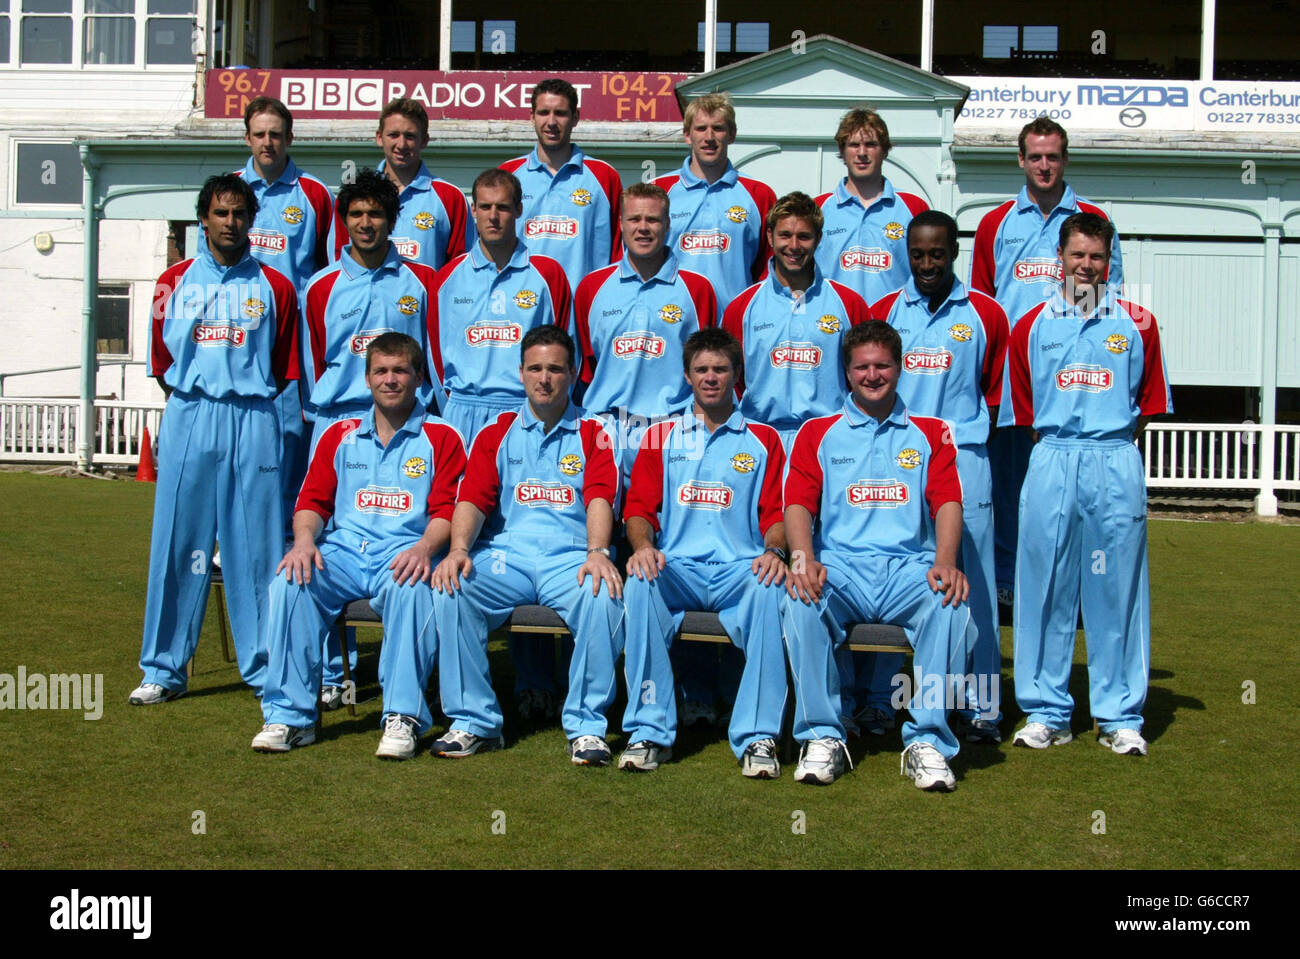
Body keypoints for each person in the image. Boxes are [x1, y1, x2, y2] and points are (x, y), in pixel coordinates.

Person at [251, 333, 467, 758]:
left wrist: (425, 549)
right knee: (291, 581)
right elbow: (312, 501)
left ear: (419, 377)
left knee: (413, 586)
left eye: (400, 370)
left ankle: (401, 716)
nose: (390, 380)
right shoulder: (338, 434)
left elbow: (448, 510)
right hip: (344, 552)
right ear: (367, 378)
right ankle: (290, 717)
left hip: (404, 551)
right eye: (381, 371)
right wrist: (304, 542)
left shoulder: (443, 437)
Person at [780, 321, 975, 790]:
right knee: (799, 599)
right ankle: (825, 736)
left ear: (900, 367)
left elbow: (948, 501)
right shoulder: (817, 432)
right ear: (846, 373)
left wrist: (945, 561)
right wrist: (803, 557)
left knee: (951, 604)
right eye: (862, 367)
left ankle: (927, 740)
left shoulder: (932, 433)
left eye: (882, 365)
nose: (872, 375)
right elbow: (798, 502)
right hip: (841, 567)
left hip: (907, 568)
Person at [130, 174, 299, 704]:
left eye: (239, 214)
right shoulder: (171, 281)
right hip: (192, 414)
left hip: (253, 415)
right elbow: (162, 361)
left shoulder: (276, 286)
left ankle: (265, 664)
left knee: (258, 547)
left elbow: (282, 363)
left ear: (252, 220)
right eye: (221, 213)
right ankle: (163, 667)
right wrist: (201, 393)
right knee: (180, 541)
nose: (230, 223)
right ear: (203, 218)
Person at [1006, 212, 1170, 756]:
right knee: (1044, 584)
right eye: (1077, 255)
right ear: (1061, 258)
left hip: (1113, 456)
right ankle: (1045, 710)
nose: (1086, 265)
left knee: (1116, 587)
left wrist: (1105, 447)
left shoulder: (1139, 324)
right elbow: (1027, 410)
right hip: (1052, 457)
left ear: (1109, 260)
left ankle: (1120, 714)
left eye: (1096, 256)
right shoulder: (1031, 325)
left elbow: (1144, 406)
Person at [430, 326, 624, 766]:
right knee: (452, 586)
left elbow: (600, 497)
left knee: (604, 595)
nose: (544, 378)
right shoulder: (495, 431)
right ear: (520, 373)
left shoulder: (596, 432)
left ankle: (587, 726)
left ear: (572, 374)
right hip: (508, 555)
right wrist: (459, 549)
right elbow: (473, 497)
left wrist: (597, 552)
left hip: (570, 556)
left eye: (555, 369)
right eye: (535, 368)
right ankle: (473, 722)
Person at [300, 168, 441, 708]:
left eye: (376, 214)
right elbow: (314, 362)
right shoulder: (320, 287)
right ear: (344, 220)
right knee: (329, 547)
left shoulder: (421, 281)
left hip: (407, 425)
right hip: (338, 426)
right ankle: (336, 674)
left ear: (392, 220)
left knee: (403, 540)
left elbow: (433, 355)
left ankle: (408, 674)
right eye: (356, 214)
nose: (365, 223)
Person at [621, 328, 788, 776]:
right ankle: (649, 731)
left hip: (740, 568)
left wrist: (774, 551)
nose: (710, 378)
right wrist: (642, 547)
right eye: (701, 370)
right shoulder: (661, 435)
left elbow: (777, 514)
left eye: (720, 369)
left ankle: (759, 738)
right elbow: (639, 509)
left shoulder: (765, 439)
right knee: (639, 580)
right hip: (677, 567)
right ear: (686, 376)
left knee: (773, 588)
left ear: (738, 376)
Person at [970, 118, 1124, 607]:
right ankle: (1007, 582)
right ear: (1020, 160)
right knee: (1010, 486)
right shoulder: (995, 223)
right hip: (1012, 382)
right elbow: (984, 306)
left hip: (1073, 382)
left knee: (1075, 493)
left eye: (1052, 156)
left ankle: (1074, 582)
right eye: (1034, 156)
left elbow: (1112, 303)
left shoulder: (1093, 221)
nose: (1043, 165)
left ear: (1065, 159)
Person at [869, 211, 1009, 743]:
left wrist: (963, 439)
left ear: (954, 251)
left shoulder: (986, 314)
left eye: (938, 253)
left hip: (964, 457)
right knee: (897, 574)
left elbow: (993, 391)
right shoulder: (885, 311)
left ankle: (979, 707)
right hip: (898, 459)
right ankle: (890, 701)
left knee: (969, 584)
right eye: (918, 253)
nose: (927, 264)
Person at [237, 96, 340, 530]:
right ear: (247, 138)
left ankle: (292, 535)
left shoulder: (314, 194)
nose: (267, 143)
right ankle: (239, 532)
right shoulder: (230, 192)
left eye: (275, 134)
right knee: (243, 440)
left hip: (294, 340)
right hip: (242, 338)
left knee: (294, 438)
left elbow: (327, 269)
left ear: (289, 138)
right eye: (259, 134)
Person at [573, 182, 717, 484]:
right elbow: (586, 369)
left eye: (652, 219)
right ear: (621, 224)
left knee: (662, 527)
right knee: (605, 526)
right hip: (606, 430)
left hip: (672, 429)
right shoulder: (591, 287)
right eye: (634, 219)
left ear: (667, 224)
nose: (643, 228)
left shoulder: (697, 289)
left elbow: (706, 368)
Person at [427, 169, 572, 443]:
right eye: (485, 206)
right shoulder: (447, 278)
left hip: (527, 410)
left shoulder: (548, 276)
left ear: (519, 210)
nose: (493, 216)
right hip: (462, 410)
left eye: (503, 207)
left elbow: (564, 348)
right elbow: (435, 358)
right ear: (473, 210)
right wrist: (452, 406)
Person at [722, 191, 871, 447]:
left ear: (818, 239)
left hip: (829, 439)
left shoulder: (849, 304)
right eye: (785, 235)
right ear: (769, 236)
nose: (793, 246)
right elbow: (731, 382)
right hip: (761, 439)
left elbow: (863, 377)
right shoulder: (742, 307)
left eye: (804, 236)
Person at [655, 92, 777, 308]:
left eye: (718, 128)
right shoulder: (658, 191)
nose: (709, 137)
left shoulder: (759, 195)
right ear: (686, 135)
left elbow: (768, 270)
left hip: (732, 325)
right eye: (701, 128)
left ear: (732, 134)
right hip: (672, 320)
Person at [500, 78, 622, 290]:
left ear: (575, 118)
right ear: (532, 117)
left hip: (582, 308)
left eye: (561, 113)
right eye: (544, 112)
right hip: (522, 305)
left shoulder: (605, 177)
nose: (552, 122)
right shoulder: (508, 175)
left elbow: (620, 249)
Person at [814, 108, 929, 304]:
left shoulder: (913, 207)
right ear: (842, 151)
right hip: (834, 324)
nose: (862, 153)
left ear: (884, 150)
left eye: (870, 145)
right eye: (853, 145)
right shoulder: (818, 208)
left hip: (893, 325)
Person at [354, 97, 474, 270]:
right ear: (379, 138)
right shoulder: (356, 195)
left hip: (426, 297)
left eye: (410, 136)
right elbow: (339, 262)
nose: (401, 144)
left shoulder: (450, 198)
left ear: (424, 140)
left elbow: (462, 269)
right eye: (393, 135)